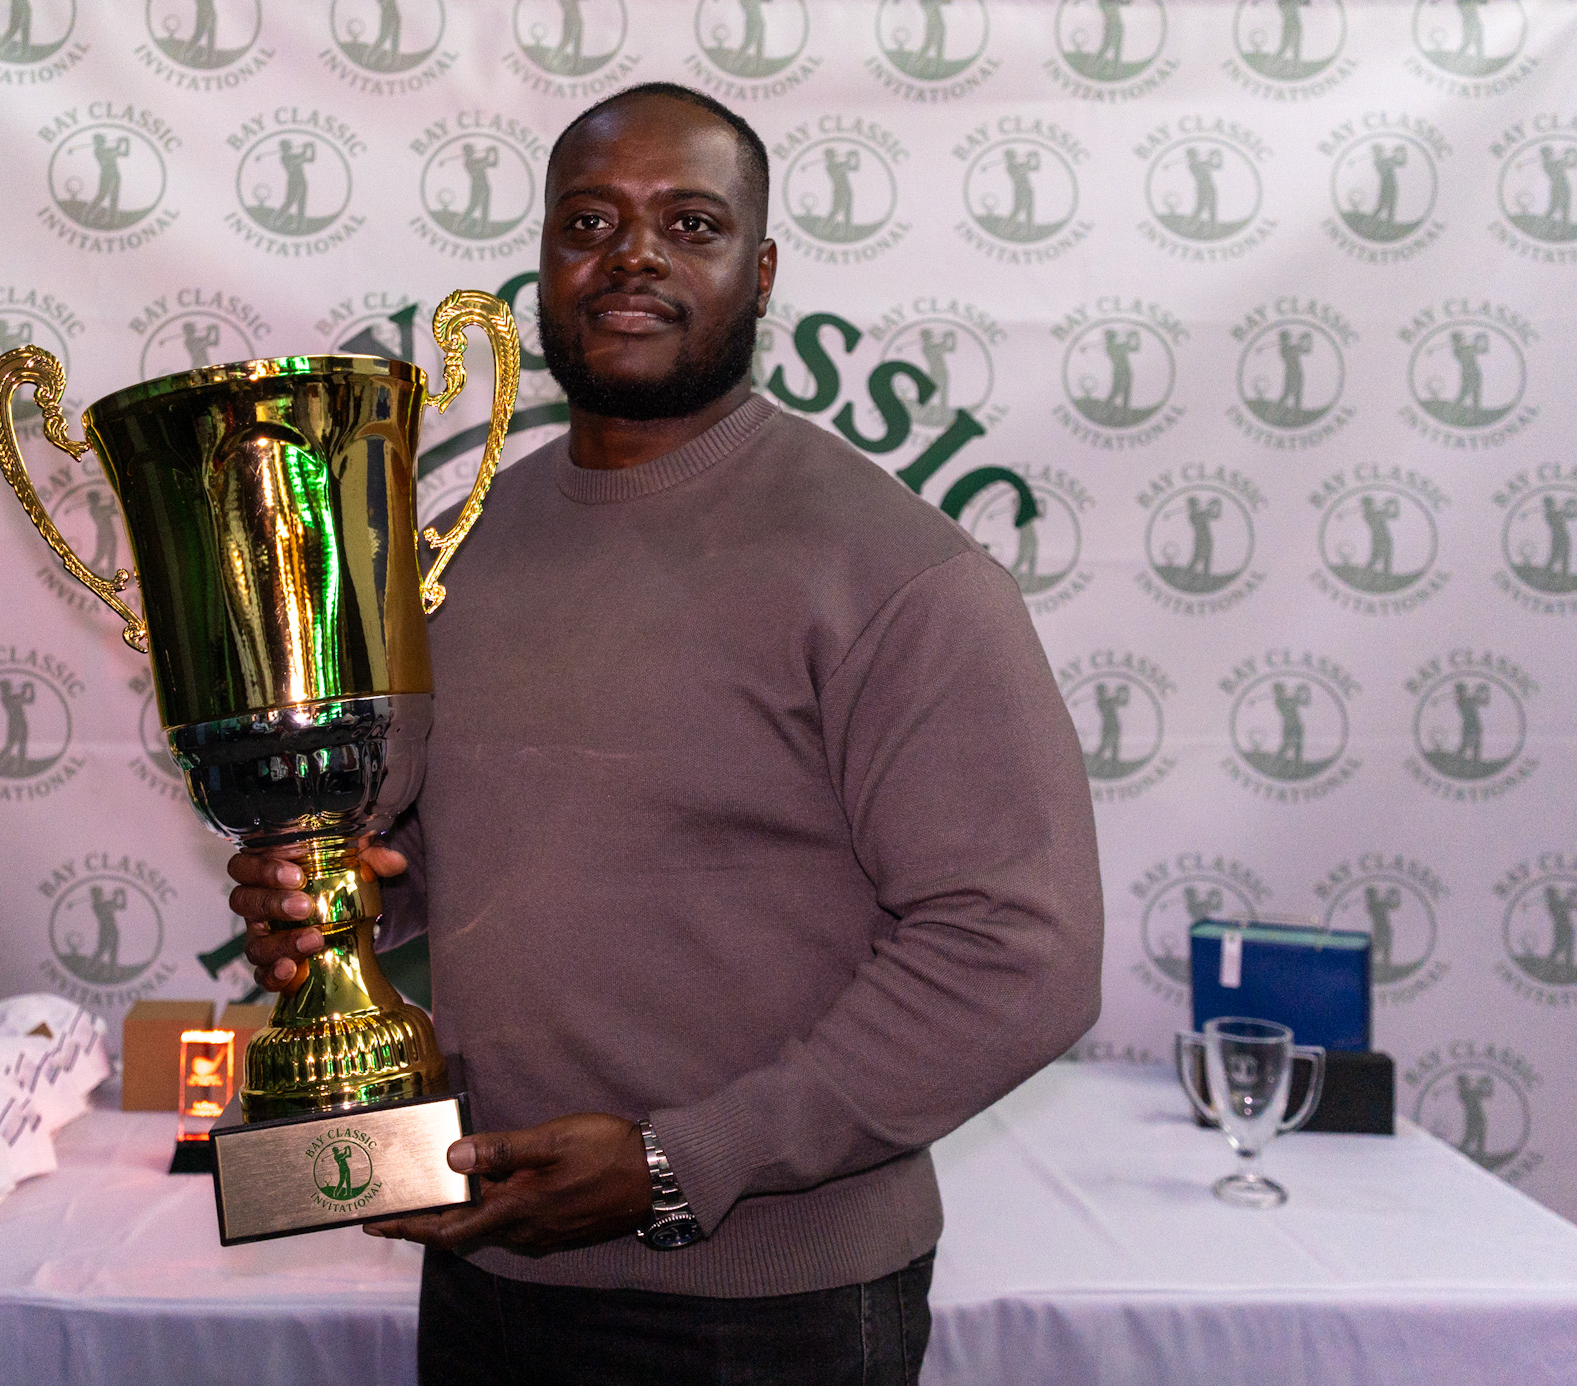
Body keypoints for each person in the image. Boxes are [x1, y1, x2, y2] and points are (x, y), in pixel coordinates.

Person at [230, 82, 1102, 1386]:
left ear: (759, 274)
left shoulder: (893, 572)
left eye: (687, 222)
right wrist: (326, 891)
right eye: (589, 219)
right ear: (541, 266)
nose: (630, 253)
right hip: (485, 1265)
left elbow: (1021, 954)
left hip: (767, 1308)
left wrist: (672, 1165)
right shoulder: (459, 548)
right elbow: (429, 854)